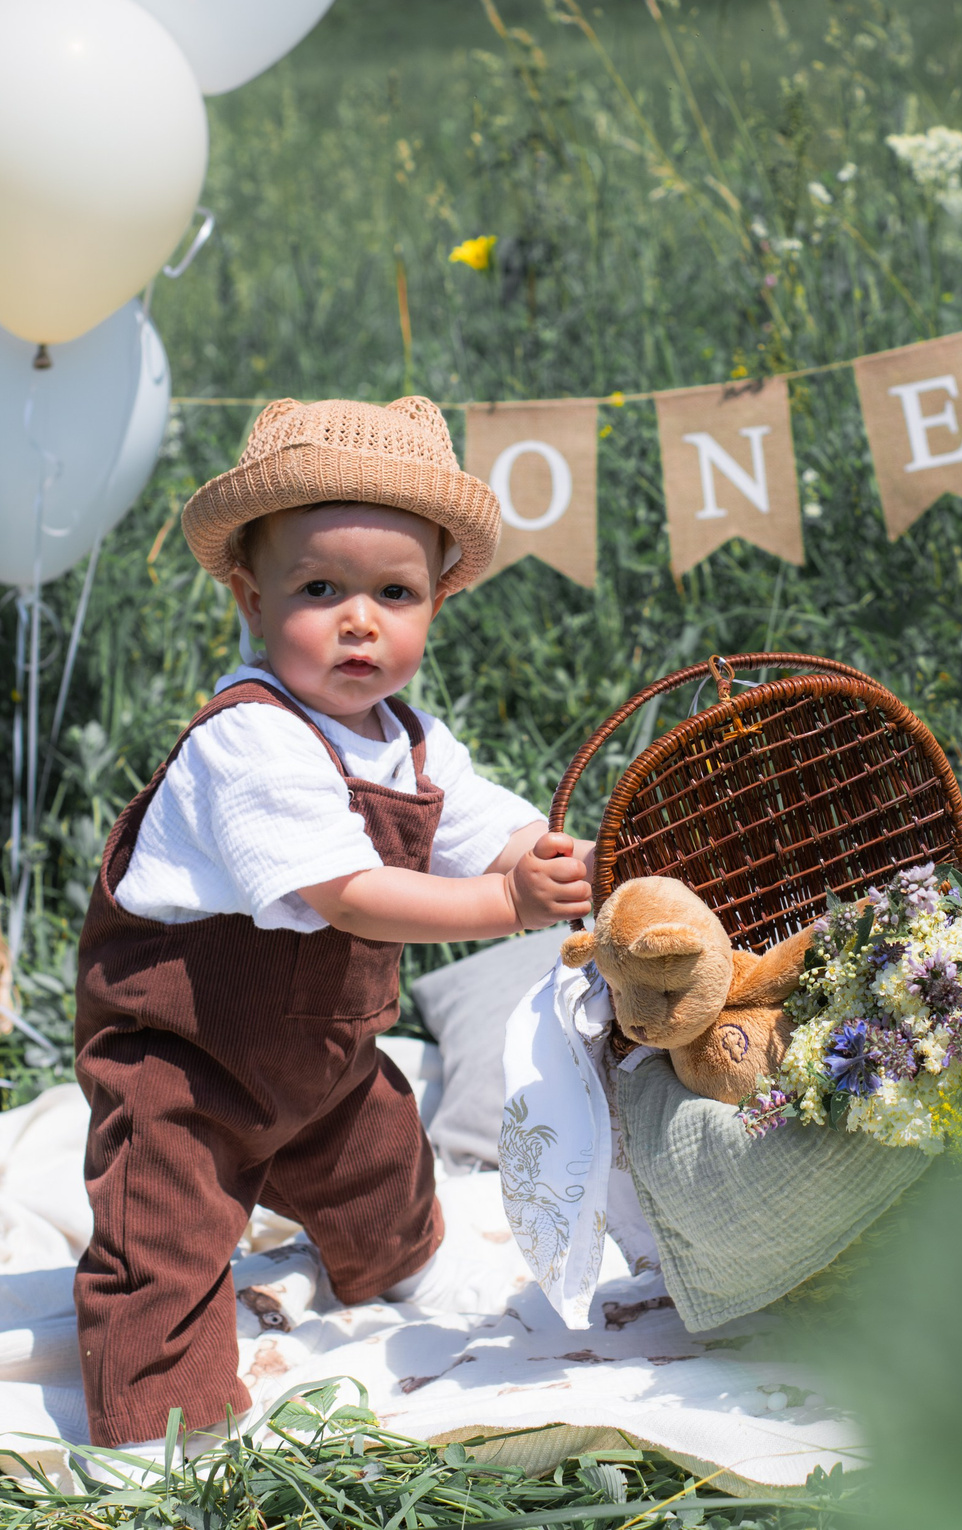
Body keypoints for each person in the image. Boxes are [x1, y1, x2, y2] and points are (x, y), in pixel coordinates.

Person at [71, 395, 594, 1447]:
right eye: (320, 589)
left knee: (378, 1152)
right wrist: (507, 905)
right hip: (186, 1053)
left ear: (436, 602)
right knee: (162, 1231)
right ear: (250, 595)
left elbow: (480, 820)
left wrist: (540, 856)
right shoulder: (249, 738)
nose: (361, 619)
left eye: (394, 592)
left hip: (320, 1051)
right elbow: (345, 891)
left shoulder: (405, 734)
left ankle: (402, 1270)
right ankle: (157, 1431)